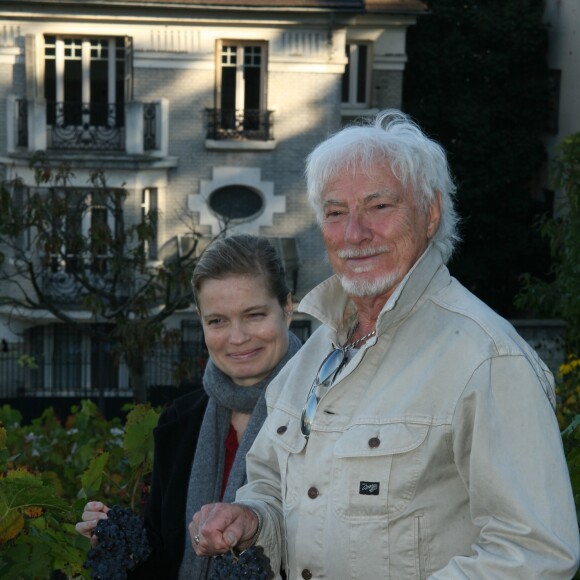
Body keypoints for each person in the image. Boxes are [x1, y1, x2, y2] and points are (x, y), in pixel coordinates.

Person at [189, 110, 580, 578]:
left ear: (430, 213)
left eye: (379, 206)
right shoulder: (314, 353)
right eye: (336, 213)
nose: (354, 233)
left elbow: (538, 553)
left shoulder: (488, 357)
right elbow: (272, 486)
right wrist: (253, 520)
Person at [75, 234, 302, 579]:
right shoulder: (180, 420)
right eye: (217, 321)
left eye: (254, 315)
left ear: (287, 309)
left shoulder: (324, 413)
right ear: (200, 320)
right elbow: (164, 555)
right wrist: (122, 544)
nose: (237, 337)